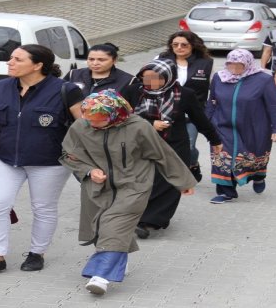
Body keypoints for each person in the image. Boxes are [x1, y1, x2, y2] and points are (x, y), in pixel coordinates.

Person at [59, 90, 197, 295]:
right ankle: (117, 258)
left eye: (99, 118)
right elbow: (69, 154)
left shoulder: (139, 127)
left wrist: (182, 181)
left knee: (114, 226)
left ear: (116, 114)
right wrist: (88, 171)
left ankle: (100, 276)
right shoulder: (81, 125)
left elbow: (162, 154)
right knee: (101, 227)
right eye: (88, 117)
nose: (92, 123)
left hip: (134, 185)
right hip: (97, 186)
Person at [0, 44, 84, 275]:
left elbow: (84, 125)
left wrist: (82, 155)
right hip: (4, 157)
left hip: (49, 161)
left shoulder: (66, 89)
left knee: (43, 208)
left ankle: (36, 254)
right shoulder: (1, 87)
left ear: (38, 65)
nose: (10, 62)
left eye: (18, 59)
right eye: (11, 58)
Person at [122, 59, 222, 237]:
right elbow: (121, 116)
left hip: (174, 144)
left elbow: (200, 119)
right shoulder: (132, 91)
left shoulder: (184, 94)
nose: (150, 83)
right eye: (146, 78)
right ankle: (140, 215)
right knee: (143, 180)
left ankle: (149, 221)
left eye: (156, 78)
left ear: (168, 77)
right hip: (140, 144)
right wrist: (150, 123)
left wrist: (215, 140)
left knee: (168, 183)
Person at [206, 49, 276, 204]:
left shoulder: (263, 79)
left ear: (248, 64)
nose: (234, 69)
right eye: (231, 64)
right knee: (222, 156)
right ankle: (225, 192)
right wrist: (205, 124)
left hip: (254, 127)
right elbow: (212, 102)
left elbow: (274, 106)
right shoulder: (219, 77)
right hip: (222, 125)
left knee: (253, 157)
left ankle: (258, 176)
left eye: (239, 65)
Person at [156, 31, 214, 182]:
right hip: (165, 109)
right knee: (165, 144)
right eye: (175, 45)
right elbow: (149, 82)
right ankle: (172, 174)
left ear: (193, 45)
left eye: (184, 45)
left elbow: (211, 86)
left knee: (189, 145)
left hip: (192, 111)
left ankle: (193, 162)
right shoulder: (161, 59)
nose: (179, 48)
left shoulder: (206, 62)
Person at [64, 43, 138, 98]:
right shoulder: (73, 74)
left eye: (101, 60)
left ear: (114, 60)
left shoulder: (129, 81)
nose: (95, 63)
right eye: (91, 59)